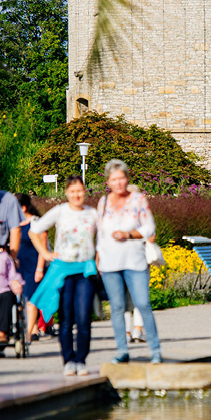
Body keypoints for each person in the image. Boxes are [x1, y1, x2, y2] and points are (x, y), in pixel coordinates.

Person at [29, 175, 98, 376]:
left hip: (85, 270)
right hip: (63, 270)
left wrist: (99, 260)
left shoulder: (92, 213)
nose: (76, 195)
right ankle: (68, 360)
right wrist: (45, 253)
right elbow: (34, 230)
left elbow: (103, 237)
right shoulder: (60, 211)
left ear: (84, 191)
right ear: (67, 192)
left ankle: (81, 360)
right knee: (66, 318)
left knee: (83, 317)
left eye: (80, 190)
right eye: (72, 191)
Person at [96, 159, 162, 364]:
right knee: (117, 307)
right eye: (114, 179)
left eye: (121, 178)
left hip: (135, 261)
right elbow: (100, 233)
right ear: (108, 181)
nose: (118, 183)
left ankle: (155, 350)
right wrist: (98, 258)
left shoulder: (138, 200)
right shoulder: (103, 202)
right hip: (110, 263)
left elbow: (149, 227)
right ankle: (122, 350)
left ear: (127, 178)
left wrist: (129, 234)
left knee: (142, 303)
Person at [15, 193, 49, 341]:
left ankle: (27, 333)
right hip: (18, 266)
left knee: (31, 300)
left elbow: (43, 248)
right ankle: (32, 328)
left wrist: (40, 269)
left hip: (33, 266)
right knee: (20, 299)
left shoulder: (36, 223)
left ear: (23, 208)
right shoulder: (14, 224)